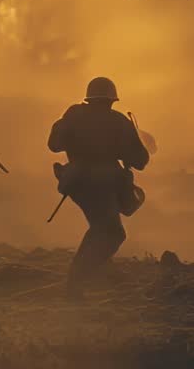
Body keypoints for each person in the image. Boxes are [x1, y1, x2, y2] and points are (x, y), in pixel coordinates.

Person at [48, 76, 149, 299]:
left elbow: (53, 145)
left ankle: (85, 276)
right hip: (102, 184)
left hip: (76, 183)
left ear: (89, 98)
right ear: (112, 99)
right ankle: (76, 282)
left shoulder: (74, 116)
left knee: (101, 228)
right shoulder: (118, 122)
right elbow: (140, 160)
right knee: (112, 233)